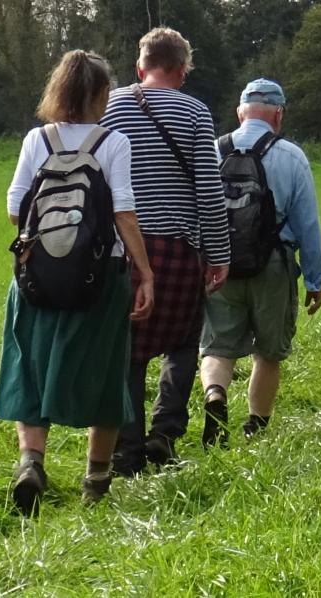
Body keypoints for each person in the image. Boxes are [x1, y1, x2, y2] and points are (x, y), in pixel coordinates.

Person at [0, 50, 155, 514]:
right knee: (105, 372)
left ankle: (31, 462)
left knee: (28, 366)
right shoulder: (113, 142)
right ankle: (96, 479)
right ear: (102, 94)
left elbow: (14, 208)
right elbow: (123, 210)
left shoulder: (37, 139)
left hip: (36, 278)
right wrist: (144, 272)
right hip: (99, 278)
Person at [99, 28, 231, 475]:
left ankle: (127, 449)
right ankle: (166, 431)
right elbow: (210, 192)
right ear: (182, 70)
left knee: (128, 351)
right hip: (178, 248)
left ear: (141, 66)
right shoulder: (194, 111)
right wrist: (219, 253)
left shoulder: (111, 105)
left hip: (122, 248)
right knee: (182, 340)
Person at [196, 79, 321, 444]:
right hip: (273, 263)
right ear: (278, 114)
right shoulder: (292, 155)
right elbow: (308, 224)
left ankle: (215, 396)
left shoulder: (212, 150)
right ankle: (256, 426)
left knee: (217, 346)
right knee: (268, 351)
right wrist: (315, 280)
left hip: (220, 263)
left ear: (241, 113)